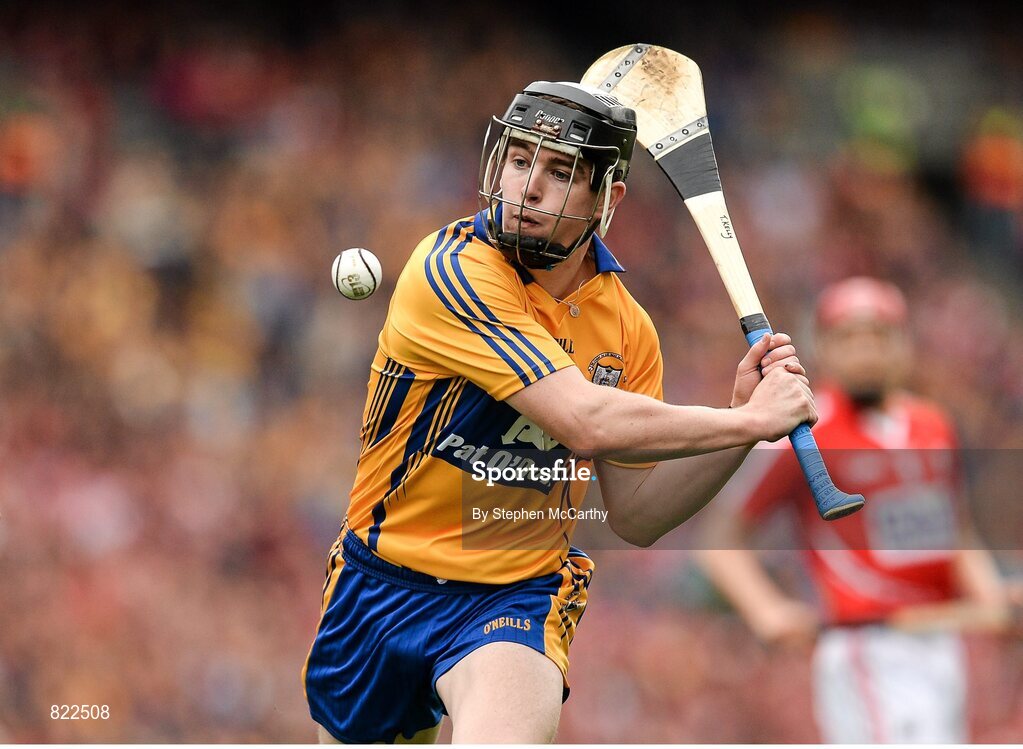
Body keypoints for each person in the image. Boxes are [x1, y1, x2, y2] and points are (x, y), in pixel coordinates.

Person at [302, 80, 816, 744]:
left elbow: (634, 513)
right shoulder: (451, 270)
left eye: (559, 171)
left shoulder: (628, 331)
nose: (528, 186)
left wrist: (737, 425)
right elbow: (584, 420)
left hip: (510, 597)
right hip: (379, 583)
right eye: (519, 160)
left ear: (607, 199)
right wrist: (749, 422)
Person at [699, 277, 1013, 744]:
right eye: (848, 338)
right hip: (869, 648)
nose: (865, 351)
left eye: (878, 336)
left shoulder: (933, 425)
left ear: (904, 344)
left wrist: (992, 596)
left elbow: (956, 532)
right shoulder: (804, 431)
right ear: (822, 348)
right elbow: (721, 539)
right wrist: (767, 609)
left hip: (943, 642)